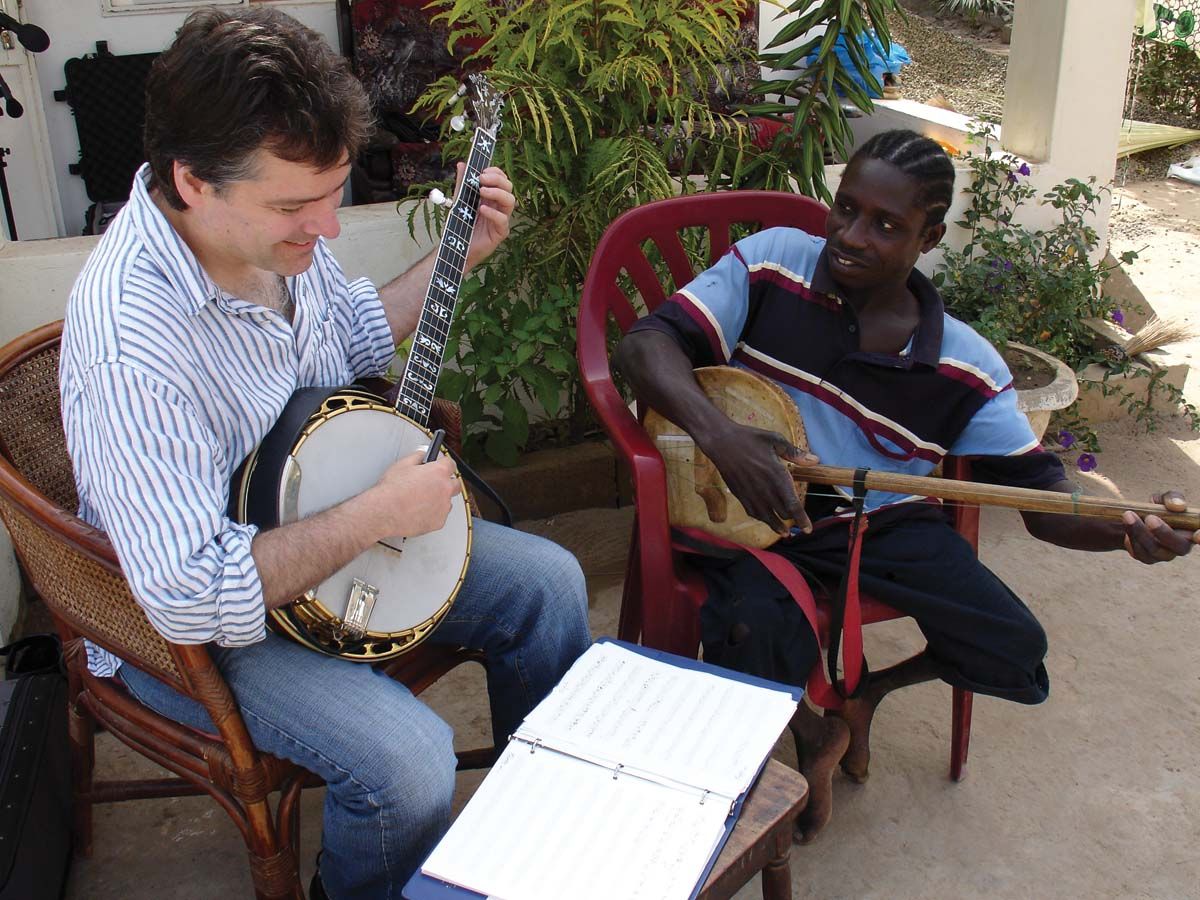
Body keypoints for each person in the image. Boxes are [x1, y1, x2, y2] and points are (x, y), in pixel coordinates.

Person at [59, 8, 590, 898]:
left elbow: (348, 332)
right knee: (409, 764)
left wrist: (463, 257)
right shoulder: (131, 344)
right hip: (196, 623)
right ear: (192, 181)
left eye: (332, 195)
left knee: (550, 585)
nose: (327, 229)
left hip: (308, 529)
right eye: (294, 206)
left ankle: (536, 839)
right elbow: (190, 594)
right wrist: (378, 515)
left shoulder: (267, 243)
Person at [613, 129, 1198, 844]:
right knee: (750, 630)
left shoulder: (965, 369)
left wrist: (1127, 532)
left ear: (929, 237)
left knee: (1012, 645)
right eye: (845, 209)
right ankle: (803, 735)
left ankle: (863, 700)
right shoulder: (774, 264)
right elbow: (645, 346)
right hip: (756, 516)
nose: (851, 237)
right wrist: (724, 438)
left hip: (883, 521)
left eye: (886, 225)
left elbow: (1045, 500)